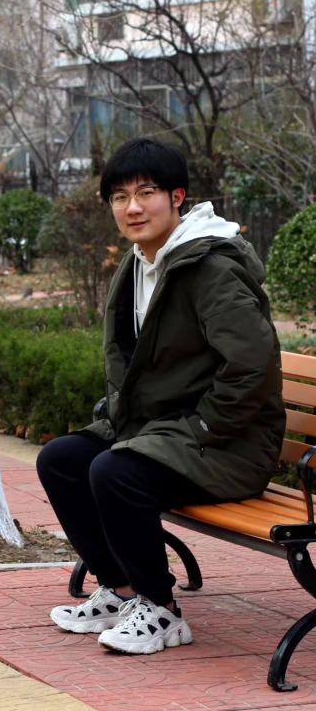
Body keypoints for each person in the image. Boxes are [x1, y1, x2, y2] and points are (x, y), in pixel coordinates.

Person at [37, 137, 285, 655]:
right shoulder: (139, 263)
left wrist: (204, 427)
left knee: (116, 471)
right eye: (119, 197)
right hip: (164, 433)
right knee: (62, 459)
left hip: (228, 445)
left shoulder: (210, 268)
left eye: (146, 193)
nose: (132, 207)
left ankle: (161, 609)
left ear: (177, 197)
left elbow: (252, 364)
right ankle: (121, 590)